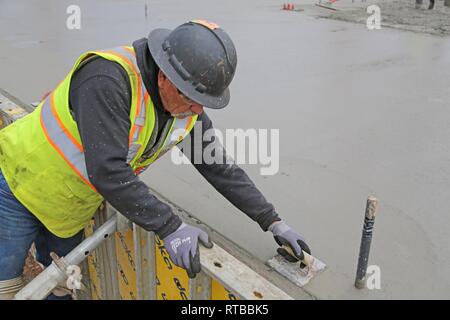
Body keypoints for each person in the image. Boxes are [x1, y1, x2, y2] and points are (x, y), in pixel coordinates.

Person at [0, 20, 311, 300]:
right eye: (192, 100)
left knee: (61, 283)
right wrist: (170, 227)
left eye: (204, 103)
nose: (198, 111)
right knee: (7, 284)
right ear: (164, 77)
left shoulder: (185, 109)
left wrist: (272, 220)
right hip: (20, 184)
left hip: (69, 208)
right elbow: (107, 170)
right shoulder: (108, 80)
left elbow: (217, 166)